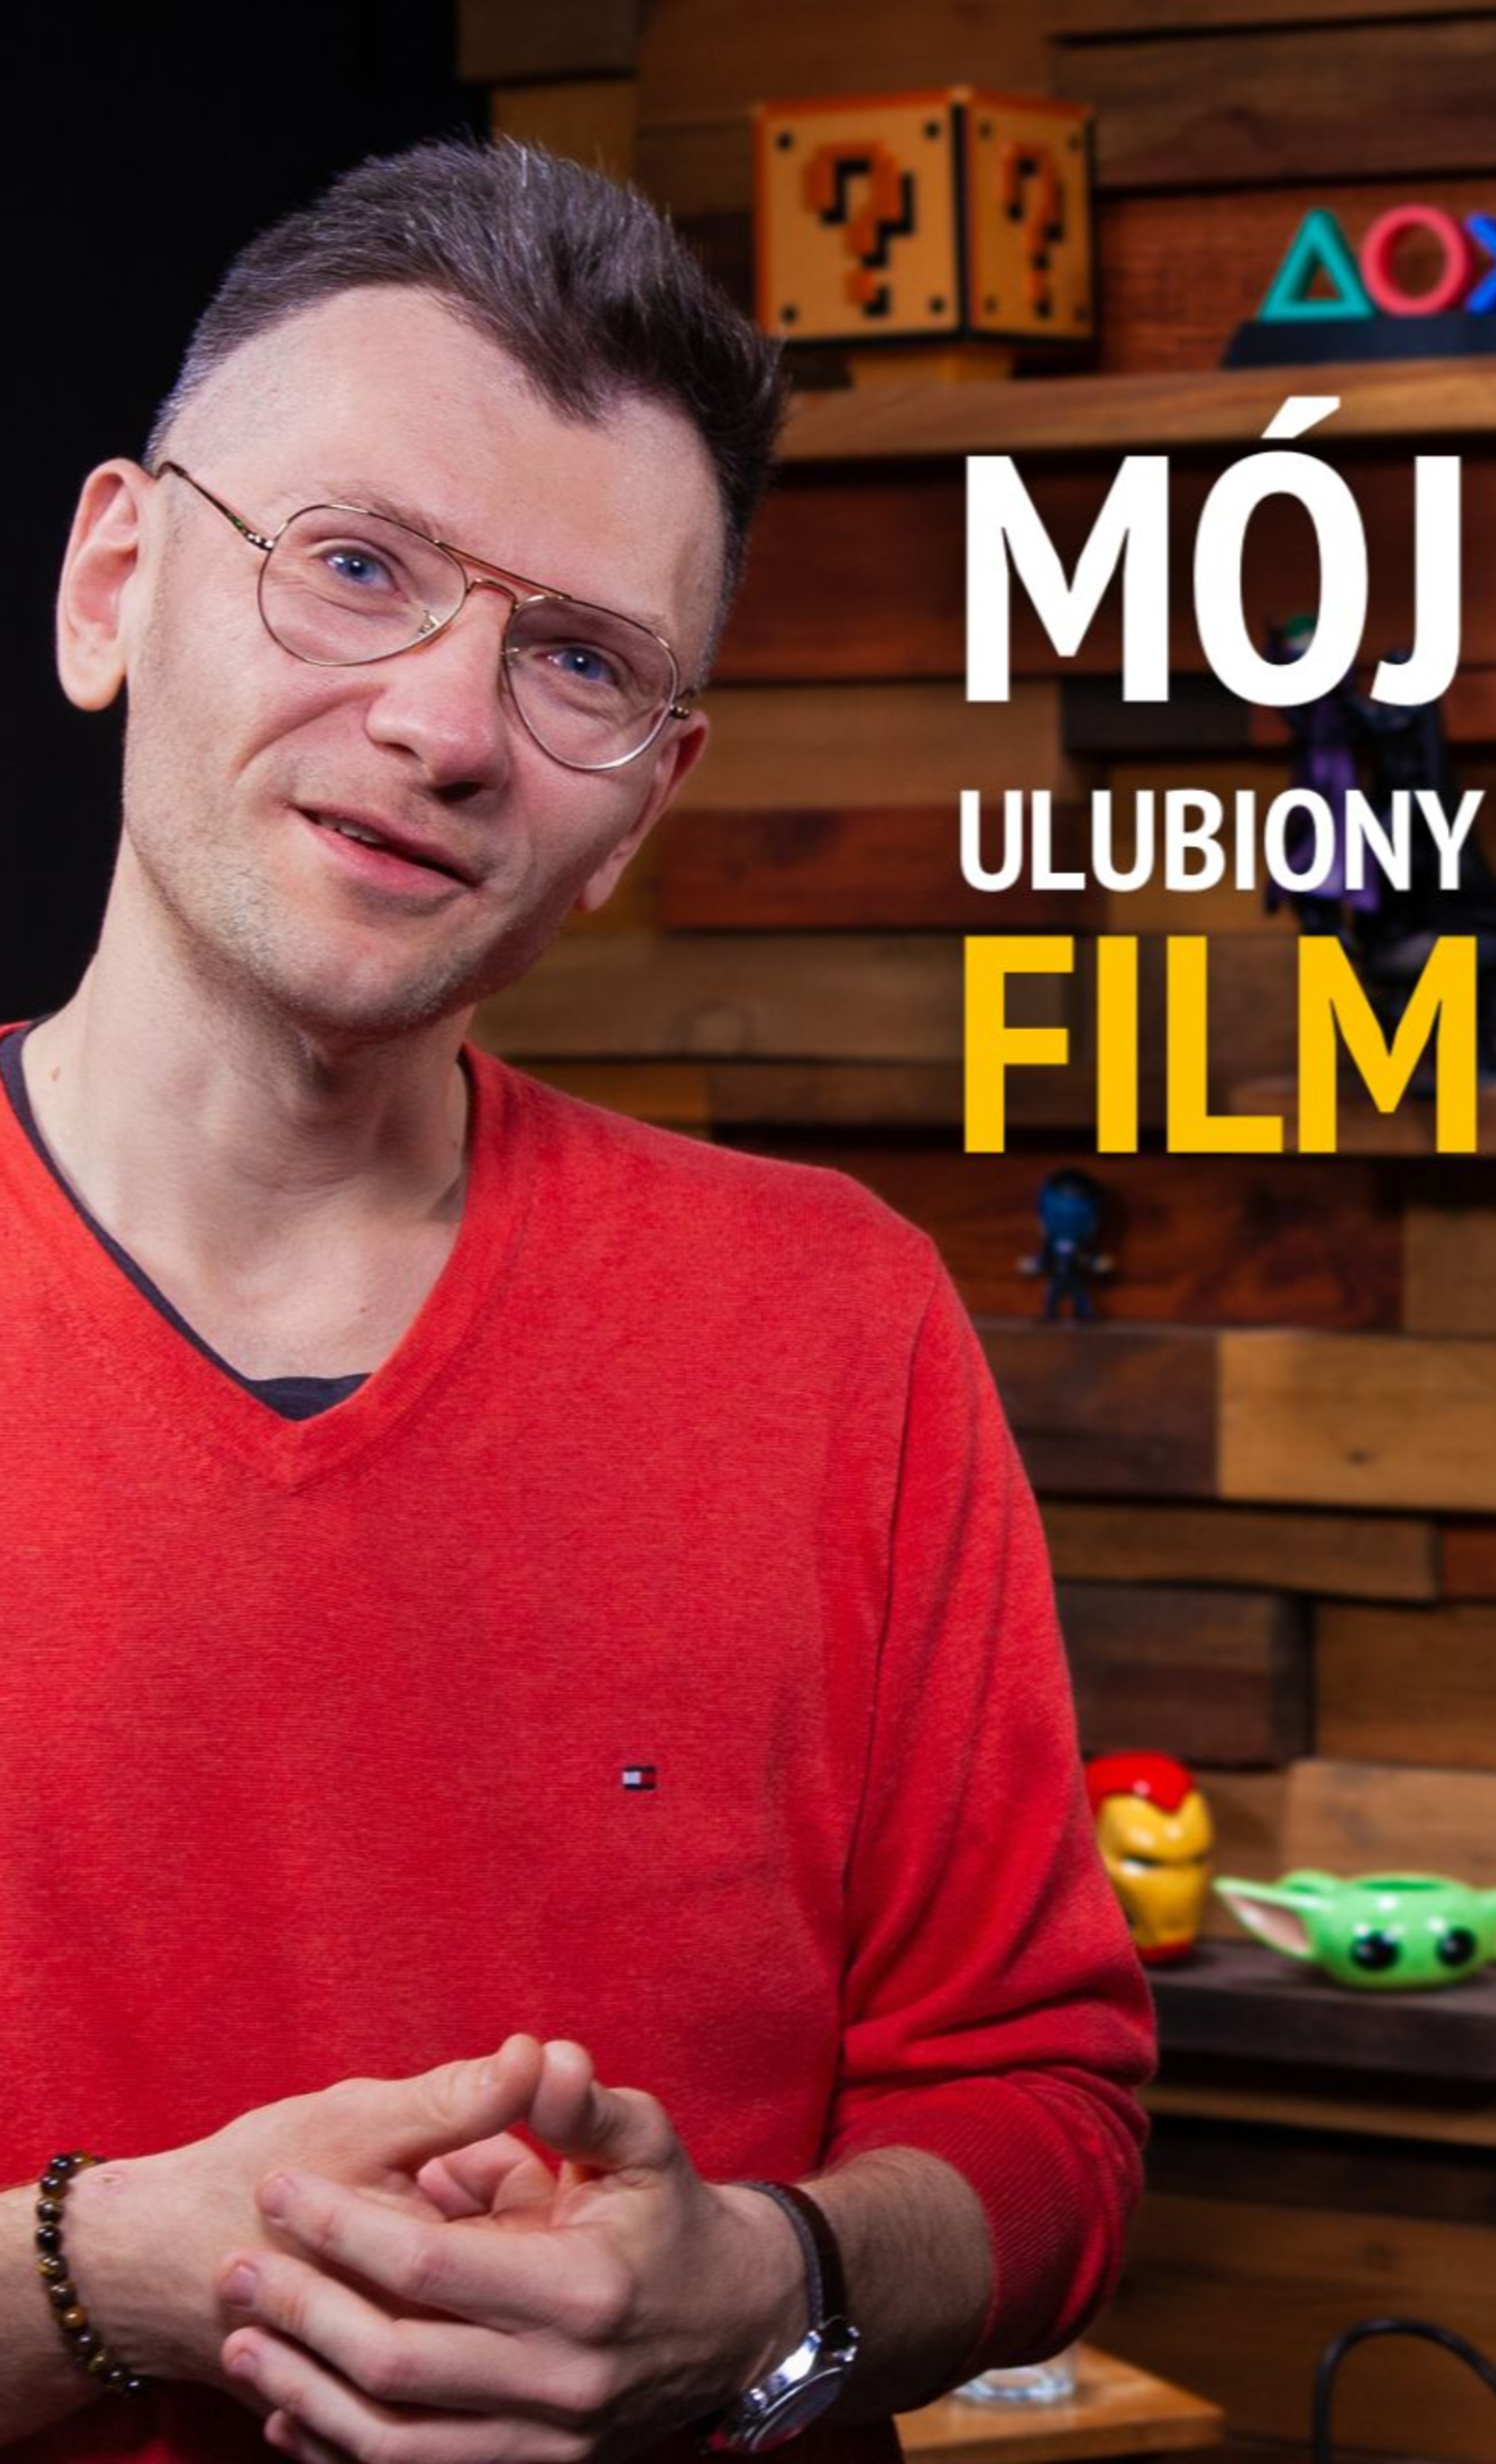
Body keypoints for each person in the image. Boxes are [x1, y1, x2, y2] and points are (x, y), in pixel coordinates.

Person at [0, 137, 1152, 2464]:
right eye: (355, 566)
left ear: (642, 803)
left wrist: (774, 2282)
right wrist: (119, 2267)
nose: (447, 726)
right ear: (117, 583)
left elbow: (1046, 2119)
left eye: (579, 662)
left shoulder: (836, 1332)